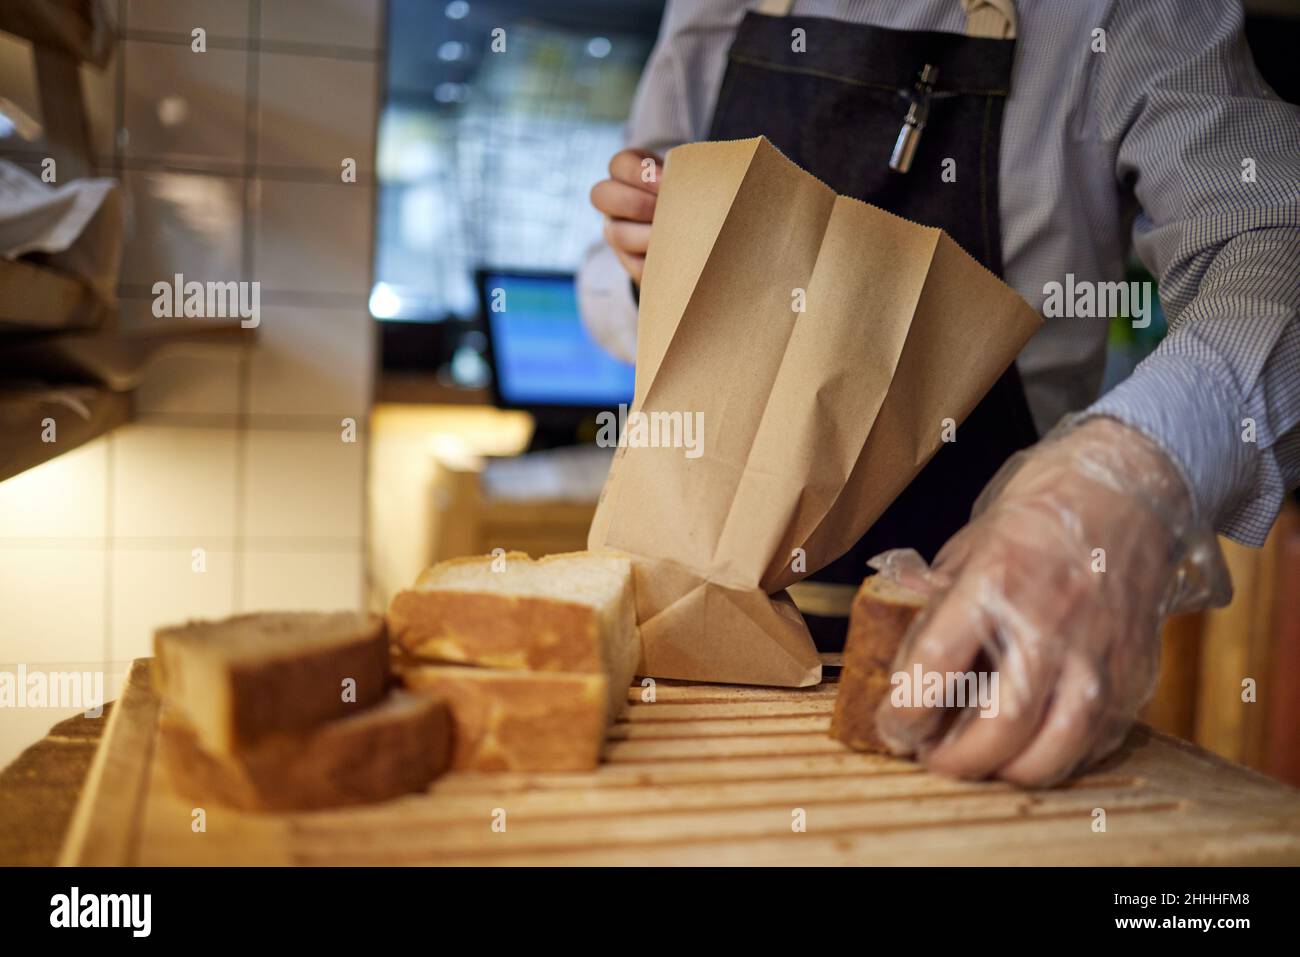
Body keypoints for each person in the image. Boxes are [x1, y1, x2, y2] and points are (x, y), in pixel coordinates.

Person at [578, 0, 1300, 786]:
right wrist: (656, 255)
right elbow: (611, 273)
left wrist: (1133, 470)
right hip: (686, 643)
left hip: (991, 636)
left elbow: (1274, 240)